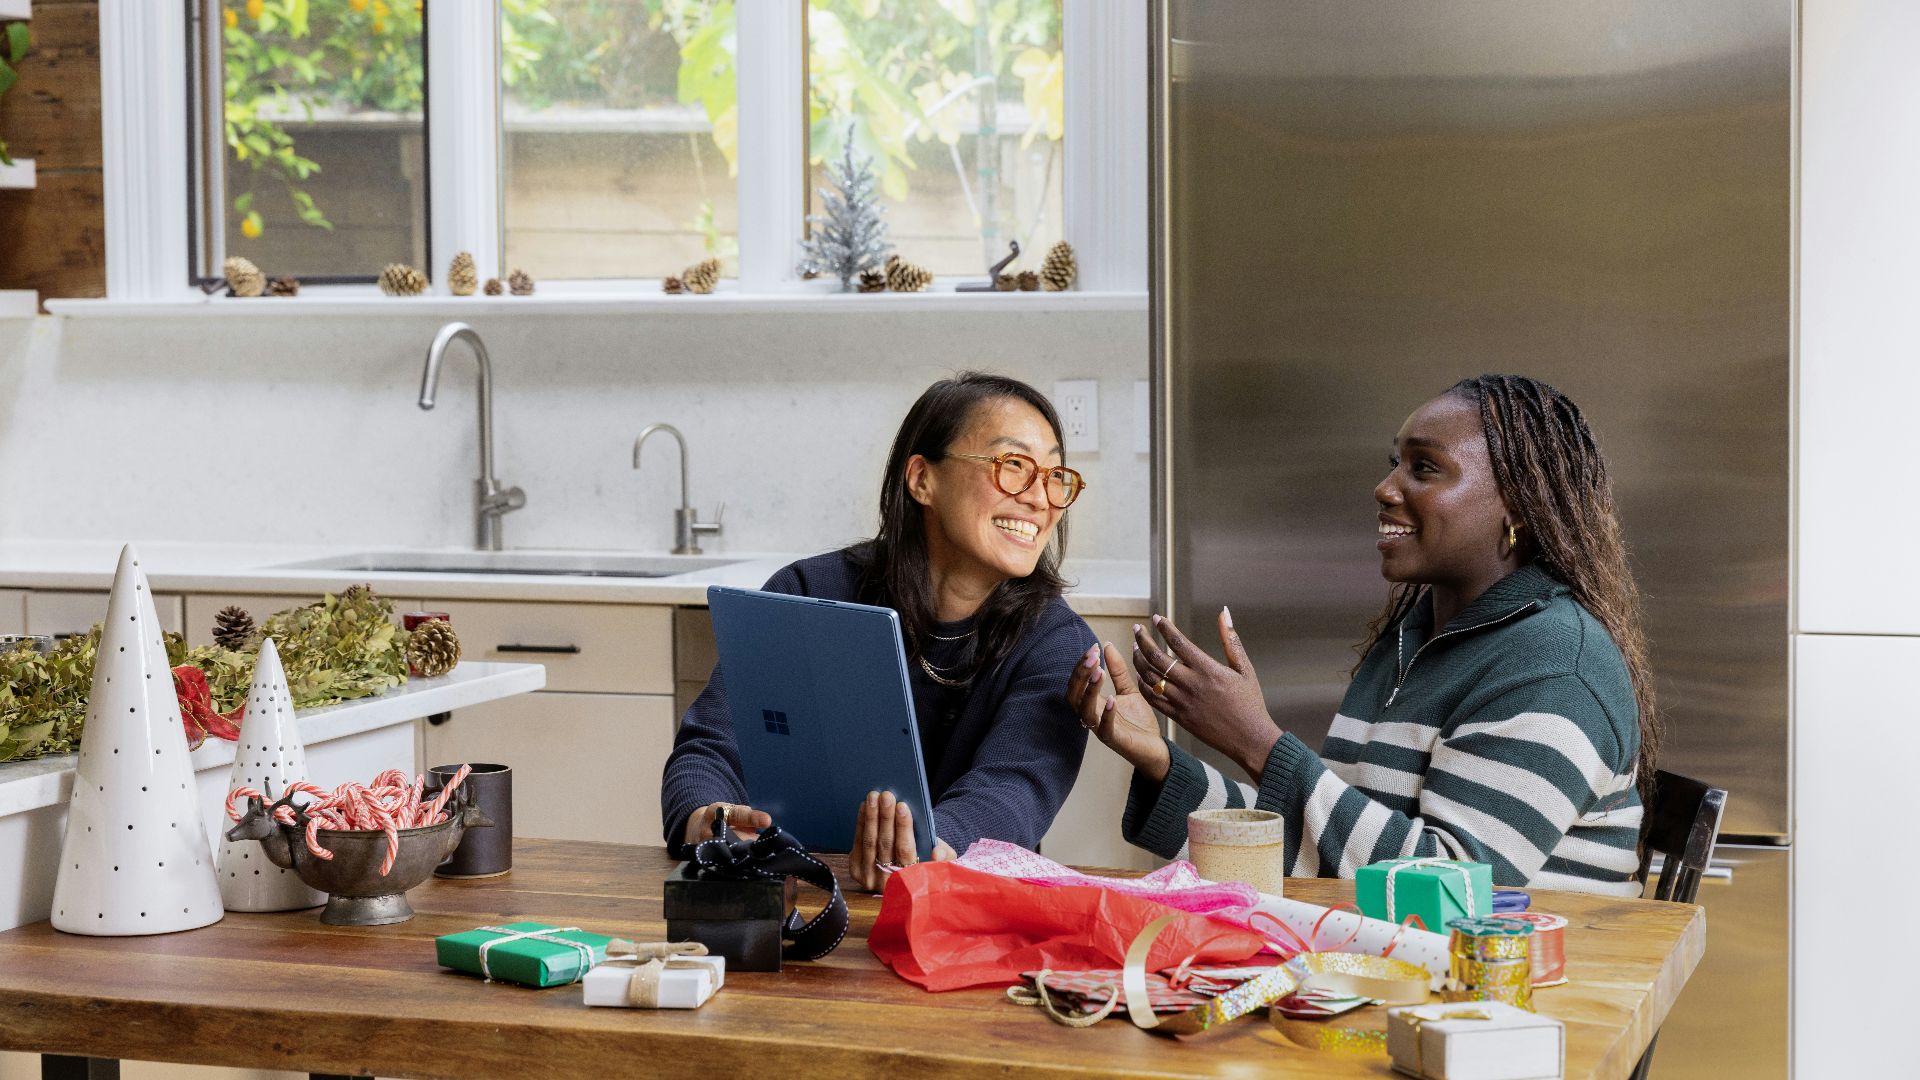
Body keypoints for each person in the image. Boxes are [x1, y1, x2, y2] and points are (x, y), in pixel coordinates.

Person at [1070, 375, 1653, 895]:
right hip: (1406, 972)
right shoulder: (1415, 638)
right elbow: (1336, 850)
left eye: (1423, 468)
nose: (1385, 487)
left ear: (1518, 507)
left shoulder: (1554, 666)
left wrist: (1256, 741)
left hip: (1519, 996)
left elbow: (1458, 891)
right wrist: (1161, 764)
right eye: (1394, 463)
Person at [663, 372, 1097, 890]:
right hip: (796, 891)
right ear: (921, 479)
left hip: (955, 907)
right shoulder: (806, 591)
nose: (1039, 498)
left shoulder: (1057, 643)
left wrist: (928, 850)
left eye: (1054, 477)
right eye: (1014, 466)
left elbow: (1013, 790)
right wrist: (708, 820)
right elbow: (713, 744)